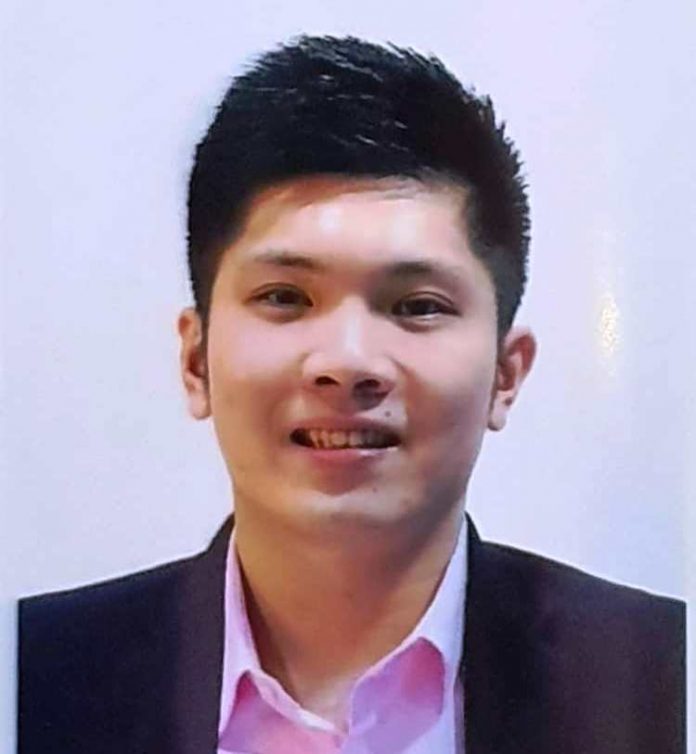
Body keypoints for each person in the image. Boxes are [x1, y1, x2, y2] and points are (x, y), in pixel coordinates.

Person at [18, 34, 684, 754]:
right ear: (196, 359)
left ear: (505, 373)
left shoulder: (662, 681)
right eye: (285, 297)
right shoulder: (31, 678)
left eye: (418, 306)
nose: (346, 361)